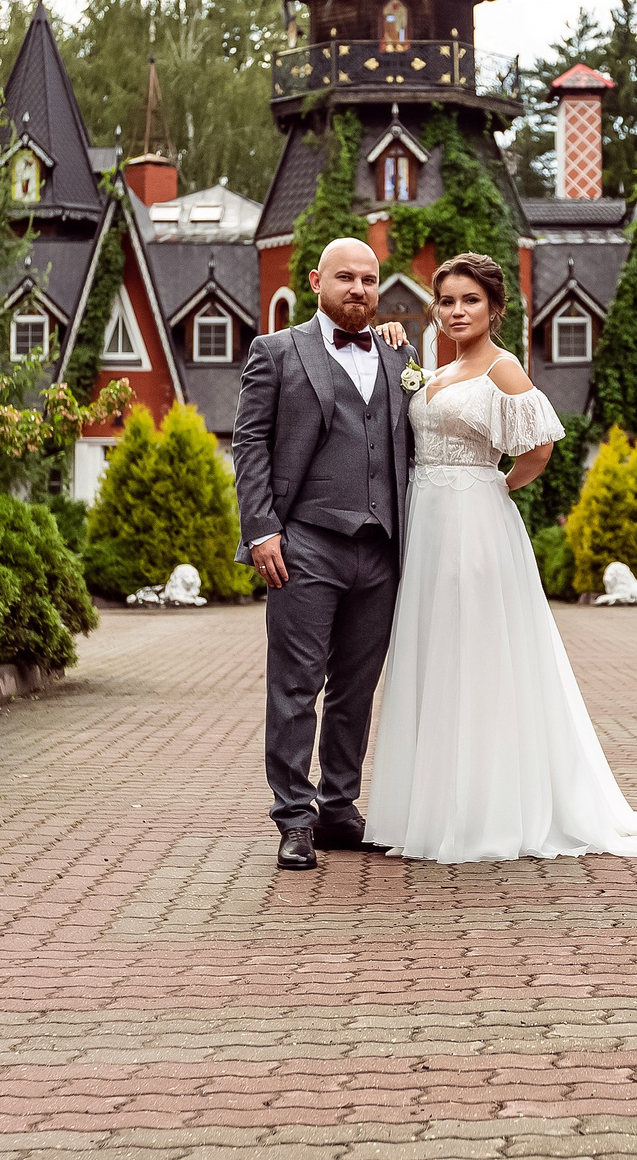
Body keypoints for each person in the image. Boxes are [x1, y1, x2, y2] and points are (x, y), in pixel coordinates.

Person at [363, 251, 637, 863]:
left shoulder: (503, 368)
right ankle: (427, 807)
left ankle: (488, 812)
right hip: (426, 526)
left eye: (470, 300)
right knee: (433, 654)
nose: (457, 311)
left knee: (477, 656)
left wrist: (487, 487)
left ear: (494, 308)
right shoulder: (437, 365)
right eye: (448, 300)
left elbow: (538, 451)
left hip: (472, 525)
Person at [230, 237, 416, 872]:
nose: (358, 289)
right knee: (295, 686)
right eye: (345, 278)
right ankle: (294, 817)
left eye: (369, 279)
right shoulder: (276, 352)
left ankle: (339, 807)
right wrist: (260, 530)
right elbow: (250, 442)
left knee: (356, 689)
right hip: (303, 544)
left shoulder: (398, 354)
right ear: (316, 281)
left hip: (381, 551)